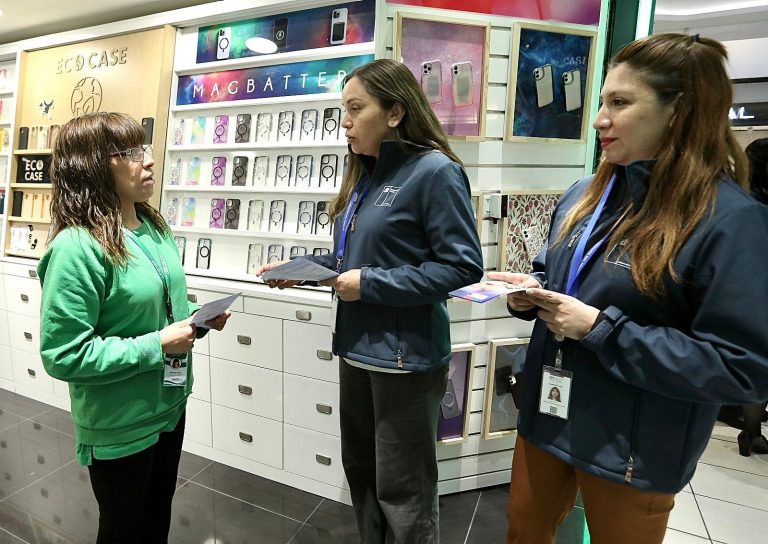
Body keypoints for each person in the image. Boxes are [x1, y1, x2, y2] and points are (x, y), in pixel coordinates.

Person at [488, 33, 768, 544]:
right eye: (601, 102)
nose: (599, 119)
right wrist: (533, 291)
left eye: (620, 103)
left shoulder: (731, 222)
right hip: (547, 417)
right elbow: (567, 275)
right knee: (523, 532)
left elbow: (743, 369)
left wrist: (601, 331)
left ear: (678, 111)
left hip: (632, 449)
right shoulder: (585, 193)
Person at [257, 59, 483, 543]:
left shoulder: (436, 172)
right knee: (362, 473)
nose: (346, 122)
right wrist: (304, 268)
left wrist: (370, 283)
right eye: (344, 110)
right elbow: (353, 259)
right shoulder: (366, 175)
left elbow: (462, 268)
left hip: (404, 359)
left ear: (396, 112)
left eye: (356, 109)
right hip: (356, 349)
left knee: (404, 489)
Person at [38, 112, 230, 543]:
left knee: (156, 516)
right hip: (120, 420)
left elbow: (152, 303)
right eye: (130, 152)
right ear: (92, 165)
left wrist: (196, 316)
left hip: (169, 403)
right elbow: (64, 353)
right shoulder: (76, 248)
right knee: (125, 528)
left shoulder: (151, 226)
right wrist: (157, 344)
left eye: (145, 148)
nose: (149, 161)